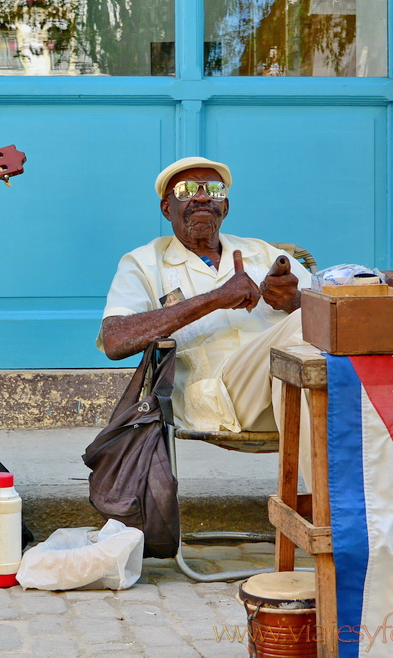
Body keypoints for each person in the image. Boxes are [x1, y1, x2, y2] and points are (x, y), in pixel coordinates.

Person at [97, 156, 314, 483]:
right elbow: (115, 340)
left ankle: (326, 512)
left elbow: (332, 314)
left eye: (214, 189)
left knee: (327, 353)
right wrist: (213, 299)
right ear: (167, 208)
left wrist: (295, 301)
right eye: (186, 190)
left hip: (289, 392)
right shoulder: (144, 263)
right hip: (215, 397)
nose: (201, 196)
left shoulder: (263, 253)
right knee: (311, 338)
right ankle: (343, 520)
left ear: (225, 207)